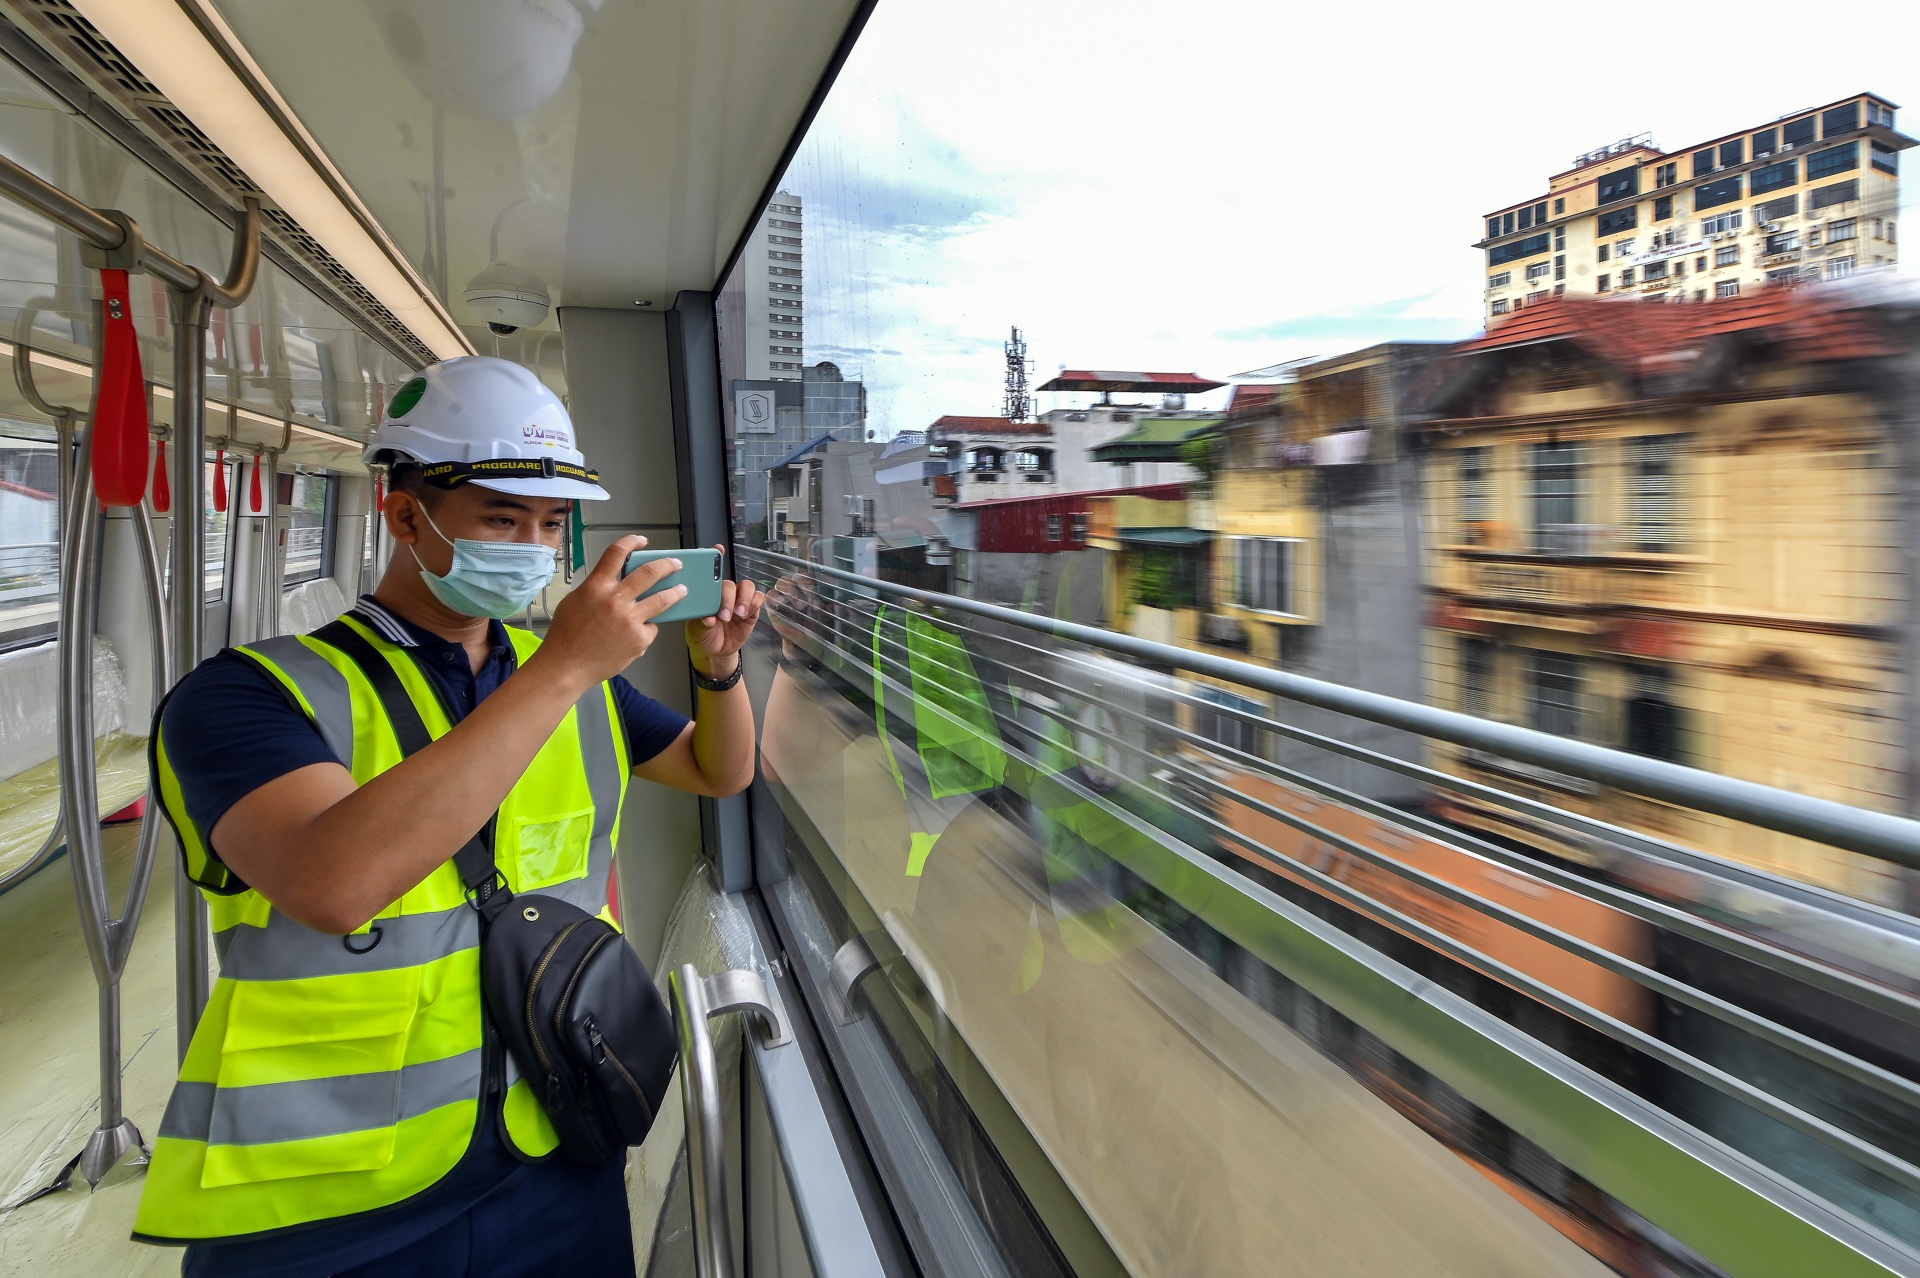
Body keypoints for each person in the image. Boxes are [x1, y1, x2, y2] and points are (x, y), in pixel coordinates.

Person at [133, 356, 764, 1277]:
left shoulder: (572, 684)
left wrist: (718, 668)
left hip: (554, 1145)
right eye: (502, 517)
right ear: (403, 514)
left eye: (551, 524)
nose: (533, 544)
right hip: (325, 1203)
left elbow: (719, 770)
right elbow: (332, 882)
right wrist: (562, 666)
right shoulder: (246, 696)